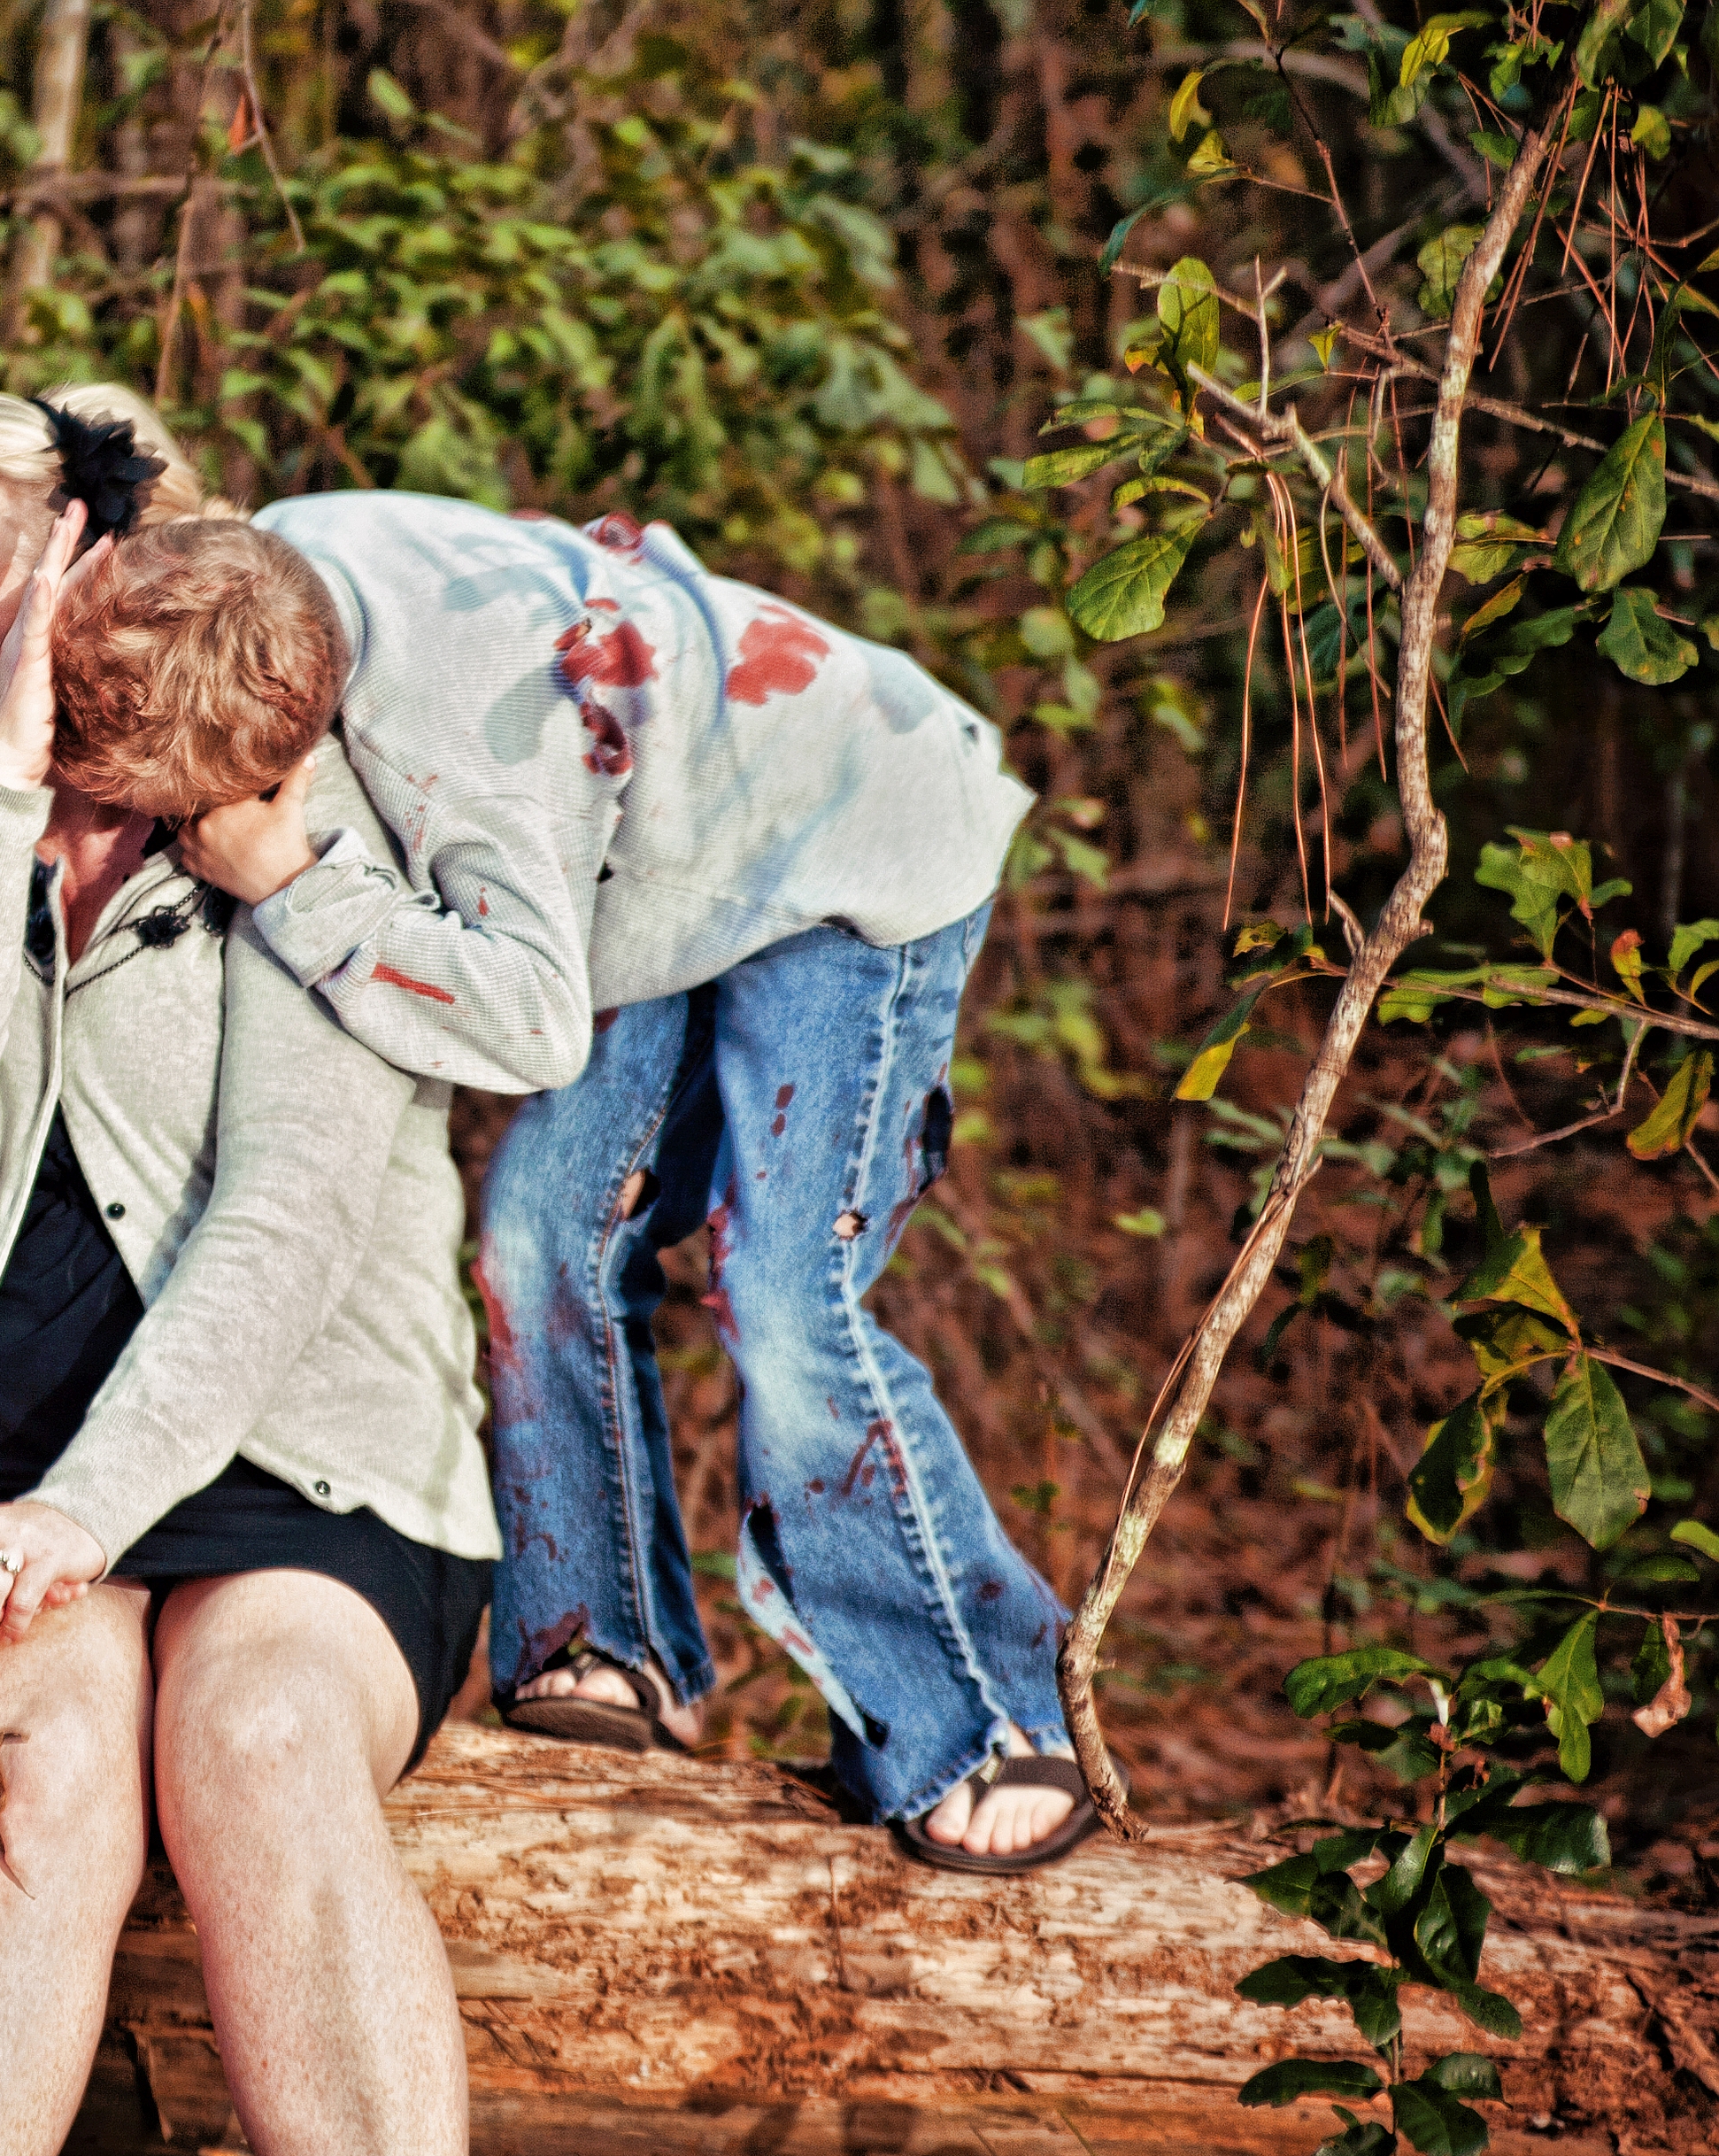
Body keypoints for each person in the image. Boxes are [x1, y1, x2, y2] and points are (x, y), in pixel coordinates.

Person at [144, 491, 1082, 1872]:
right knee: (534, 1235)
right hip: (660, 860)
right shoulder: (267, 562)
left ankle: (982, 1711)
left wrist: (291, 882)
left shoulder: (459, 739)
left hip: (853, 843)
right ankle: (604, 1633)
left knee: (783, 1290)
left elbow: (522, 1020)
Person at [0, 386, 499, 2156]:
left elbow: (281, 1229)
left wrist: (80, 1513)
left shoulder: (289, 840)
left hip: (299, 1448)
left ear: (64, 623)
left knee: (257, 1734)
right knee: (43, 1761)